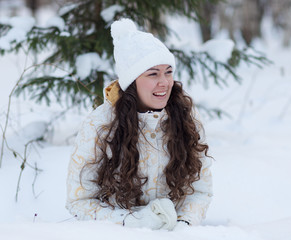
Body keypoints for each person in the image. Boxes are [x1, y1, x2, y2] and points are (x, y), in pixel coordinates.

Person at [66, 18, 213, 231]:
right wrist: (133, 223)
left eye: (168, 72)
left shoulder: (186, 118)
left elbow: (200, 190)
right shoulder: (100, 125)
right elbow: (78, 201)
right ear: (131, 81)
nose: (164, 82)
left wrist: (182, 224)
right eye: (153, 74)